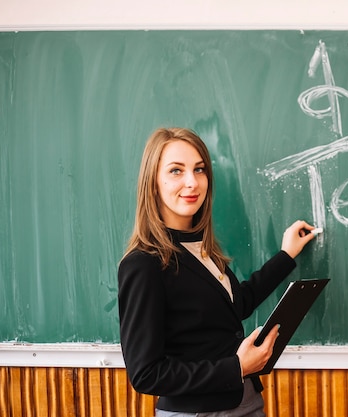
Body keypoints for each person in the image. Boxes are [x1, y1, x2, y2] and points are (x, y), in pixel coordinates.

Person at [117, 127, 317, 416]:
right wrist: (236, 367)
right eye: (176, 171)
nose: (192, 182)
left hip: (244, 400)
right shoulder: (144, 264)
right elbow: (146, 374)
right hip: (199, 411)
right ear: (152, 183)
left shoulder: (202, 249)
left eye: (199, 169)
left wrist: (286, 256)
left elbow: (239, 304)